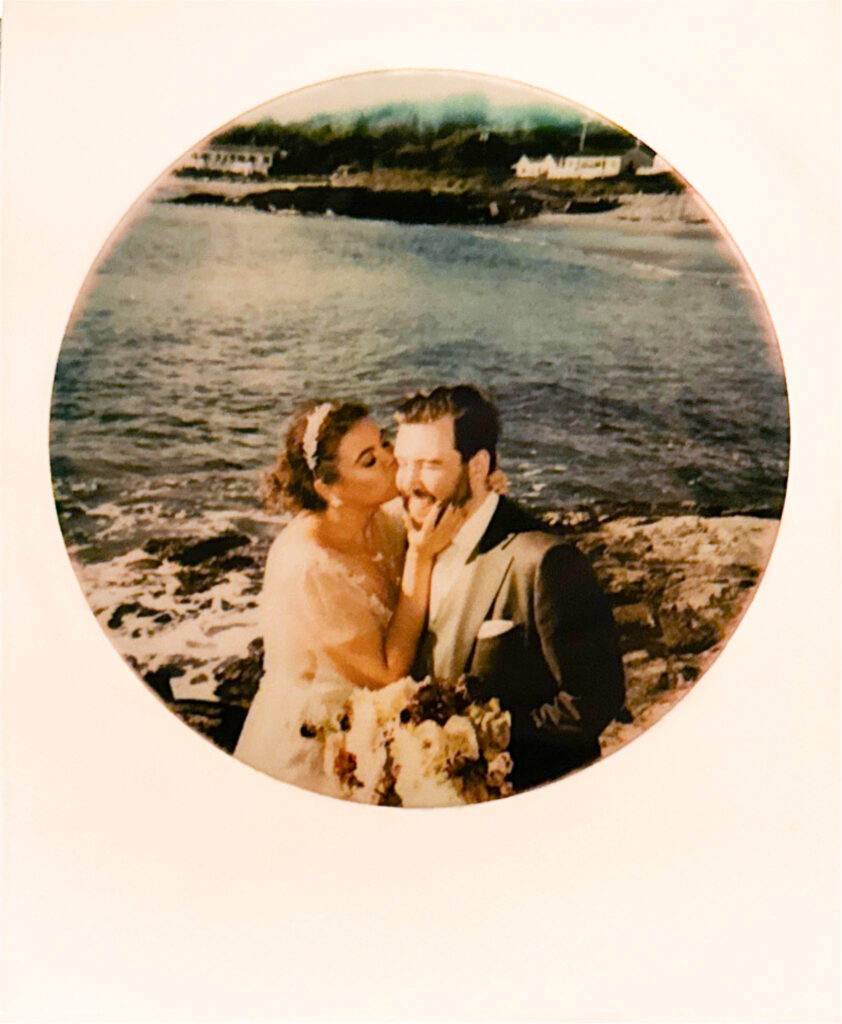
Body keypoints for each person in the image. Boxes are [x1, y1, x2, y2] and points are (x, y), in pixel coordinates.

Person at [393, 384, 626, 792]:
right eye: (402, 462)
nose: (408, 482)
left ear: (478, 466)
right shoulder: (409, 539)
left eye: (429, 464)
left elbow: (590, 703)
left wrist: (474, 745)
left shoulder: (545, 562)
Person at [234, 400, 463, 797]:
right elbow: (387, 674)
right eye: (369, 461)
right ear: (328, 487)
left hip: (375, 728)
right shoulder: (308, 566)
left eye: (384, 444)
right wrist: (421, 557)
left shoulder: (382, 515)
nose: (392, 460)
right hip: (315, 752)